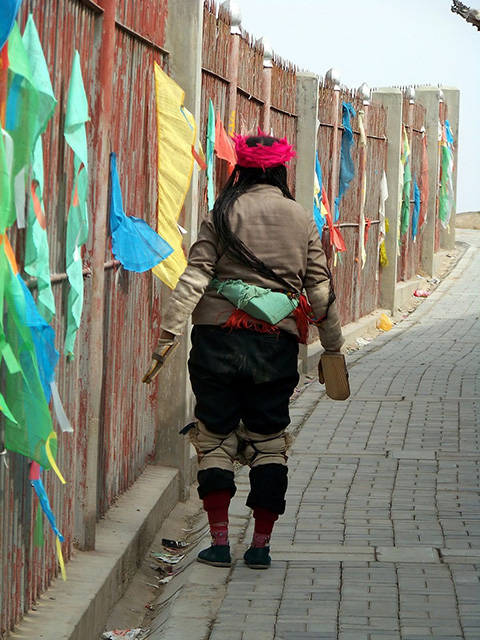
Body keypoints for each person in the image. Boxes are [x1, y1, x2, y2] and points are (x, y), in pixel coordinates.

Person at [154, 134, 344, 569]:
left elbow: (197, 272)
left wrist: (169, 330)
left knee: (215, 436)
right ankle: (259, 546)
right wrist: (332, 346)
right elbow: (319, 286)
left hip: (216, 339)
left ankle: (219, 543)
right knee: (269, 440)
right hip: (274, 343)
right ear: (279, 170)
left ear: (239, 169)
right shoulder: (300, 217)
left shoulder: (222, 213)